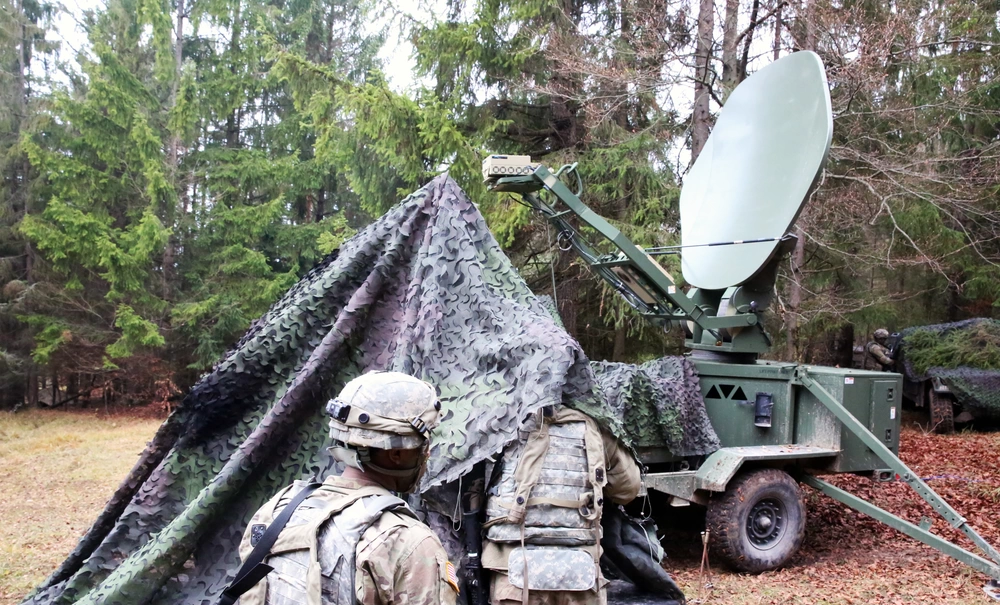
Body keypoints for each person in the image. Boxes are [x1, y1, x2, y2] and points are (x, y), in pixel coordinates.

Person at [230, 371, 459, 605]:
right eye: (423, 443)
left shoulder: (279, 509)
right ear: (397, 454)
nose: (427, 453)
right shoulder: (407, 541)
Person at [481, 405, 641, 605]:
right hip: (580, 572)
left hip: (513, 572)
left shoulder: (495, 423)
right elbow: (627, 489)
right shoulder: (593, 425)